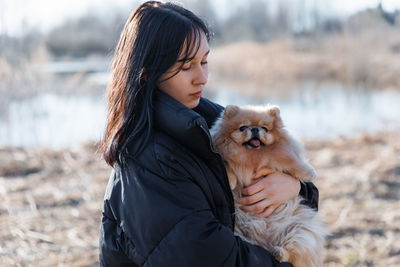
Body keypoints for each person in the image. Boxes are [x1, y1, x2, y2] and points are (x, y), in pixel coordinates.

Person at [99, 1, 319, 266]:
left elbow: (298, 183)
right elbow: (205, 255)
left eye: (204, 61)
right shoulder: (148, 159)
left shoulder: (211, 123)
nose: (202, 77)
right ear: (147, 72)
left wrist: (295, 186)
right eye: (186, 66)